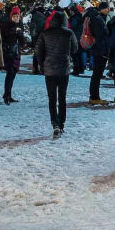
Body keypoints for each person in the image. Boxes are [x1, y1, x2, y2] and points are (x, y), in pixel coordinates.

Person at [35, 9, 78, 137]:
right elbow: (75, 49)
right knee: (62, 98)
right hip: (63, 69)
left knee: (52, 99)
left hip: (49, 69)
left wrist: (42, 64)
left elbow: (38, 50)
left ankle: (55, 123)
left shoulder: (45, 33)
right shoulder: (69, 33)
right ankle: (62, 123)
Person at [84, 1, 112, 104]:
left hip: (99, 50)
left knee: (97, 74)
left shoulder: (97, 18)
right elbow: (100, 36)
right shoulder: (98, 20)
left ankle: (95, 96)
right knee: (97, 74)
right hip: (99, 51)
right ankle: (94, 97)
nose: (108, 10)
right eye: (106, 8)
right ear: (101, 9)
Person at [0, 5, 24, 105]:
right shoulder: (6, 25)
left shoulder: (19, 25)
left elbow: (22, 42)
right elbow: (3, 38)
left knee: (13, 74)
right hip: (8, 52)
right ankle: (6, 95)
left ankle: (8, 94)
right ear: (11, 16)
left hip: (16, 52)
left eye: (18, 16)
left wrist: (20, 33)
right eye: (15, 16)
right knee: (10, 74)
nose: (16, 18)